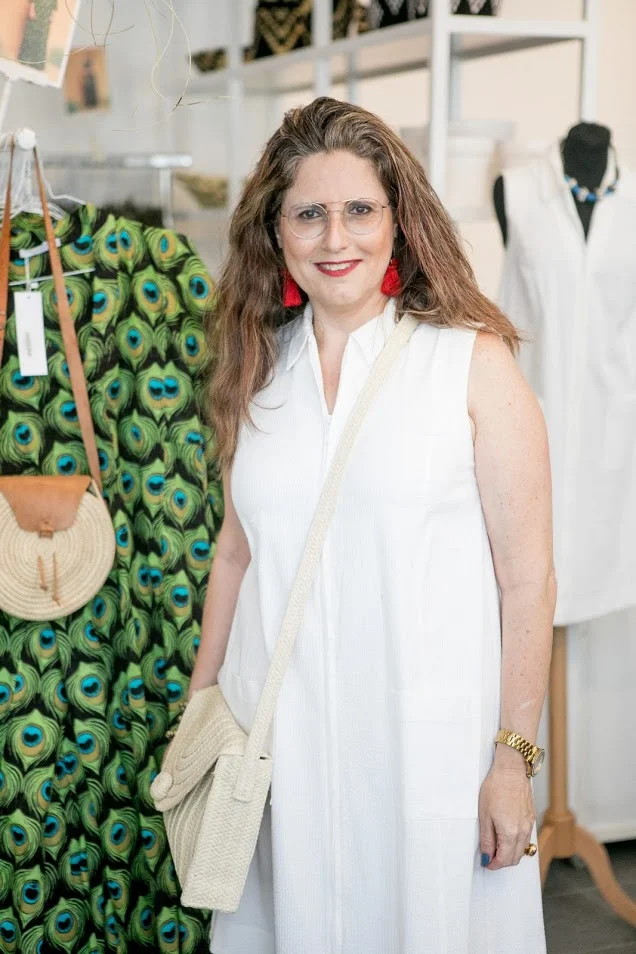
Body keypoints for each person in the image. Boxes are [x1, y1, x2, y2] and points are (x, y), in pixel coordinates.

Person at [194, 96, 556, 954]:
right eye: (308, 214)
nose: (335, 238)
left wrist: (513, 761)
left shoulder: (470, 363)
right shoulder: (257, 374)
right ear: (275, 232)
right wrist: (201, 710)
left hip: (425, 756)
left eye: (359, 209)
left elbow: (528, 578)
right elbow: (236, 555)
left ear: (400, 221)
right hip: (278, 754)